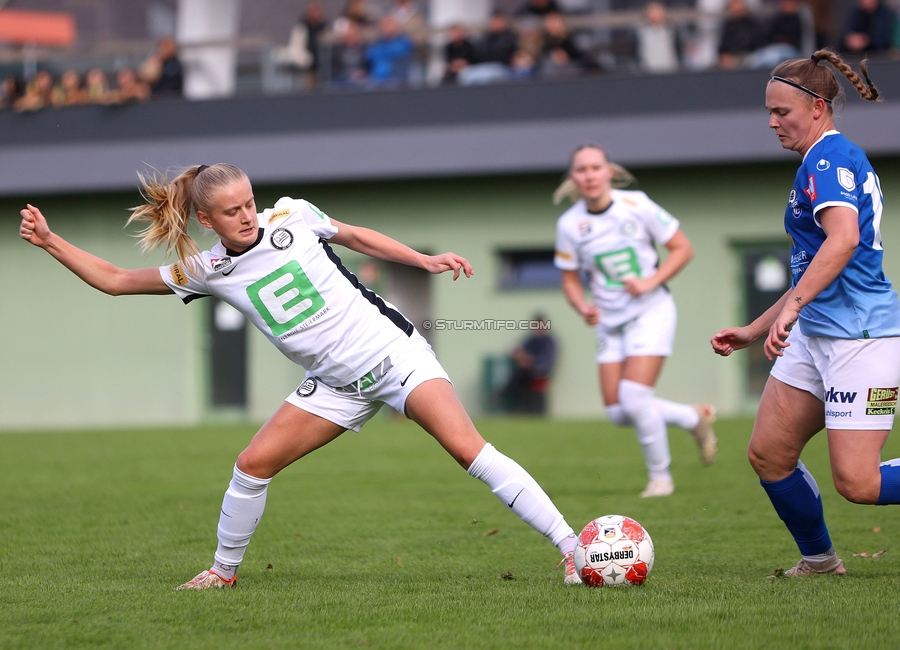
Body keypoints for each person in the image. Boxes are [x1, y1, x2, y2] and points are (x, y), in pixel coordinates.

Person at [18, 163, 584, 587]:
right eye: (233, 211)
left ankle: (571, 549)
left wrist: (422, 259)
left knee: (468, 449)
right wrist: (50, 243)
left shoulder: (293, 215)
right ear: (205, 219)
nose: (247, 215)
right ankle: (221, 573)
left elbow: (358, 237)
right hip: (335, 385)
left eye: (249, 203)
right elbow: (116, 279)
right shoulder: (208, 269)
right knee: (251, 465)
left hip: (394, 355)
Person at [710, 50, 900, 576]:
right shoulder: (818, 163)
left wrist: (792, 313)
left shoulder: (828, 160)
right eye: (768, 111)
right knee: (769, 454)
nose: (771, 122)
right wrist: (756, 328)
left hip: (861, 337)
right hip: (817, 333)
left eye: (781, 111)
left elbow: (844, 240)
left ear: (816, 107)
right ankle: (820, 561)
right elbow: (813, 264)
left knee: (860, 484)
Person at [554, 145, 718, 498]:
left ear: (609, 171)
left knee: (634, 397)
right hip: (610, 322)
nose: (590, 175)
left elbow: (683, 248)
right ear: (573, 178)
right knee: (618, 412)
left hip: (651, 311)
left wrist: (649, 282)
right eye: (581, 169)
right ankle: (692, 419)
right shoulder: (569, 225)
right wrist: (581, 305)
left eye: (596, 167)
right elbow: (569, 279)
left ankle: (661, 479)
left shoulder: (638, 205)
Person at [503, 315, 557, 414]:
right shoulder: (532, 339)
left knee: (520, 374)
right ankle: (514, 402)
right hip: (528, 371)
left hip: (541, 371)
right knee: (519, 375)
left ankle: (503, 392)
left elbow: (545, 360)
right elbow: (517, 350)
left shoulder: (548, 341)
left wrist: (529, 359)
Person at [365, 15, 414, 86]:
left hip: (397, 81)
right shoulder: (377, 42)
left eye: (388, 25)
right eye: (384, 25)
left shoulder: (404, 41)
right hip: (376, 81)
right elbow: (370, 55)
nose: (385, 28)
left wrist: (384, 52)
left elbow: (399, 51)